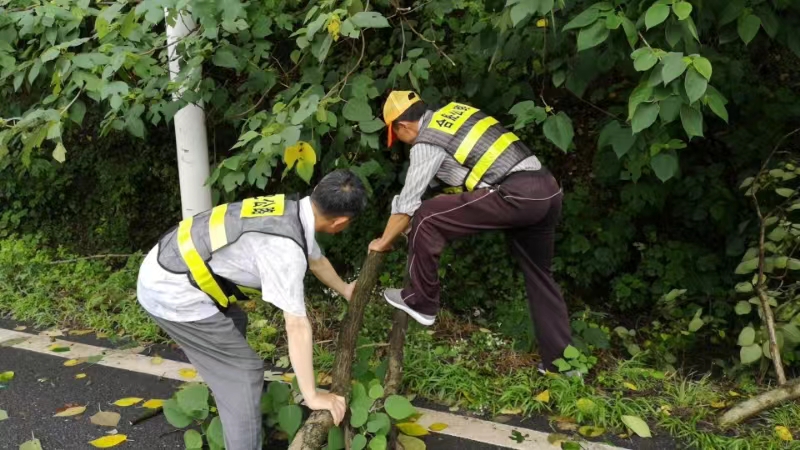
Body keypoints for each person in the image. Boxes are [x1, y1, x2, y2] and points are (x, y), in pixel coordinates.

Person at [136, 170, 367, 450]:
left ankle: (234, 403)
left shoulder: (289, 210)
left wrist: (345, 289)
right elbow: (296, 326)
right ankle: (239, 411)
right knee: (245, 373)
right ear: (341, 222)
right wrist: (313, 395)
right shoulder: (285, 250)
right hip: (170, 290)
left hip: (168, 264)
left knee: (234, 321)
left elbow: (316, 259)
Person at [368, 91, 572, 372]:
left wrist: (382, 242)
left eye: (397, 136)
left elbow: (408, 205)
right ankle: (562, 366)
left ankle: (421, 301)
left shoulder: (426, 142)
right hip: (547, 190)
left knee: (426, 215)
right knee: (541, 278)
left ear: (402, 127)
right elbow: (463, 181)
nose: (400, 143)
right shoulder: (456, 114)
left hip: (517, 195)